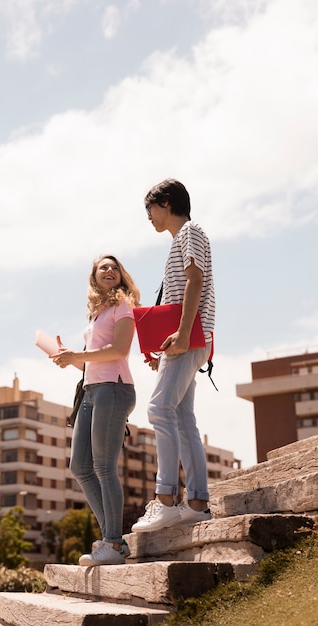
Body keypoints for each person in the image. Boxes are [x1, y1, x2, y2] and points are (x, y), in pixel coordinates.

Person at [131, 178, 215, 533]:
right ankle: (196, 502)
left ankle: (166, 499)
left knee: (159, 409)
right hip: (191, 338)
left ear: (165, 203)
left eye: (149, 208)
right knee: (181, 417)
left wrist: (181, 333)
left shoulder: (190, 232)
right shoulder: (183, 238)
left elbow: (194, 280)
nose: (148, 216)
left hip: (189, 336)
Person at [51, 254, 140, 565]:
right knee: (80, 467)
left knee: (103, 468)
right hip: (91, 391)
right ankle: (111, 539)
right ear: (94, 276)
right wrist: (68, 357)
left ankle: (113, 544)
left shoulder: (123, 306)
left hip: (114, 389)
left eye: (114, 267)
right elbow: (90, 362)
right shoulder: (95, 314)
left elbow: (119, 350)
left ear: (121, 275)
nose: (110, 270)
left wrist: (81, 354)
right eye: (104, 267)